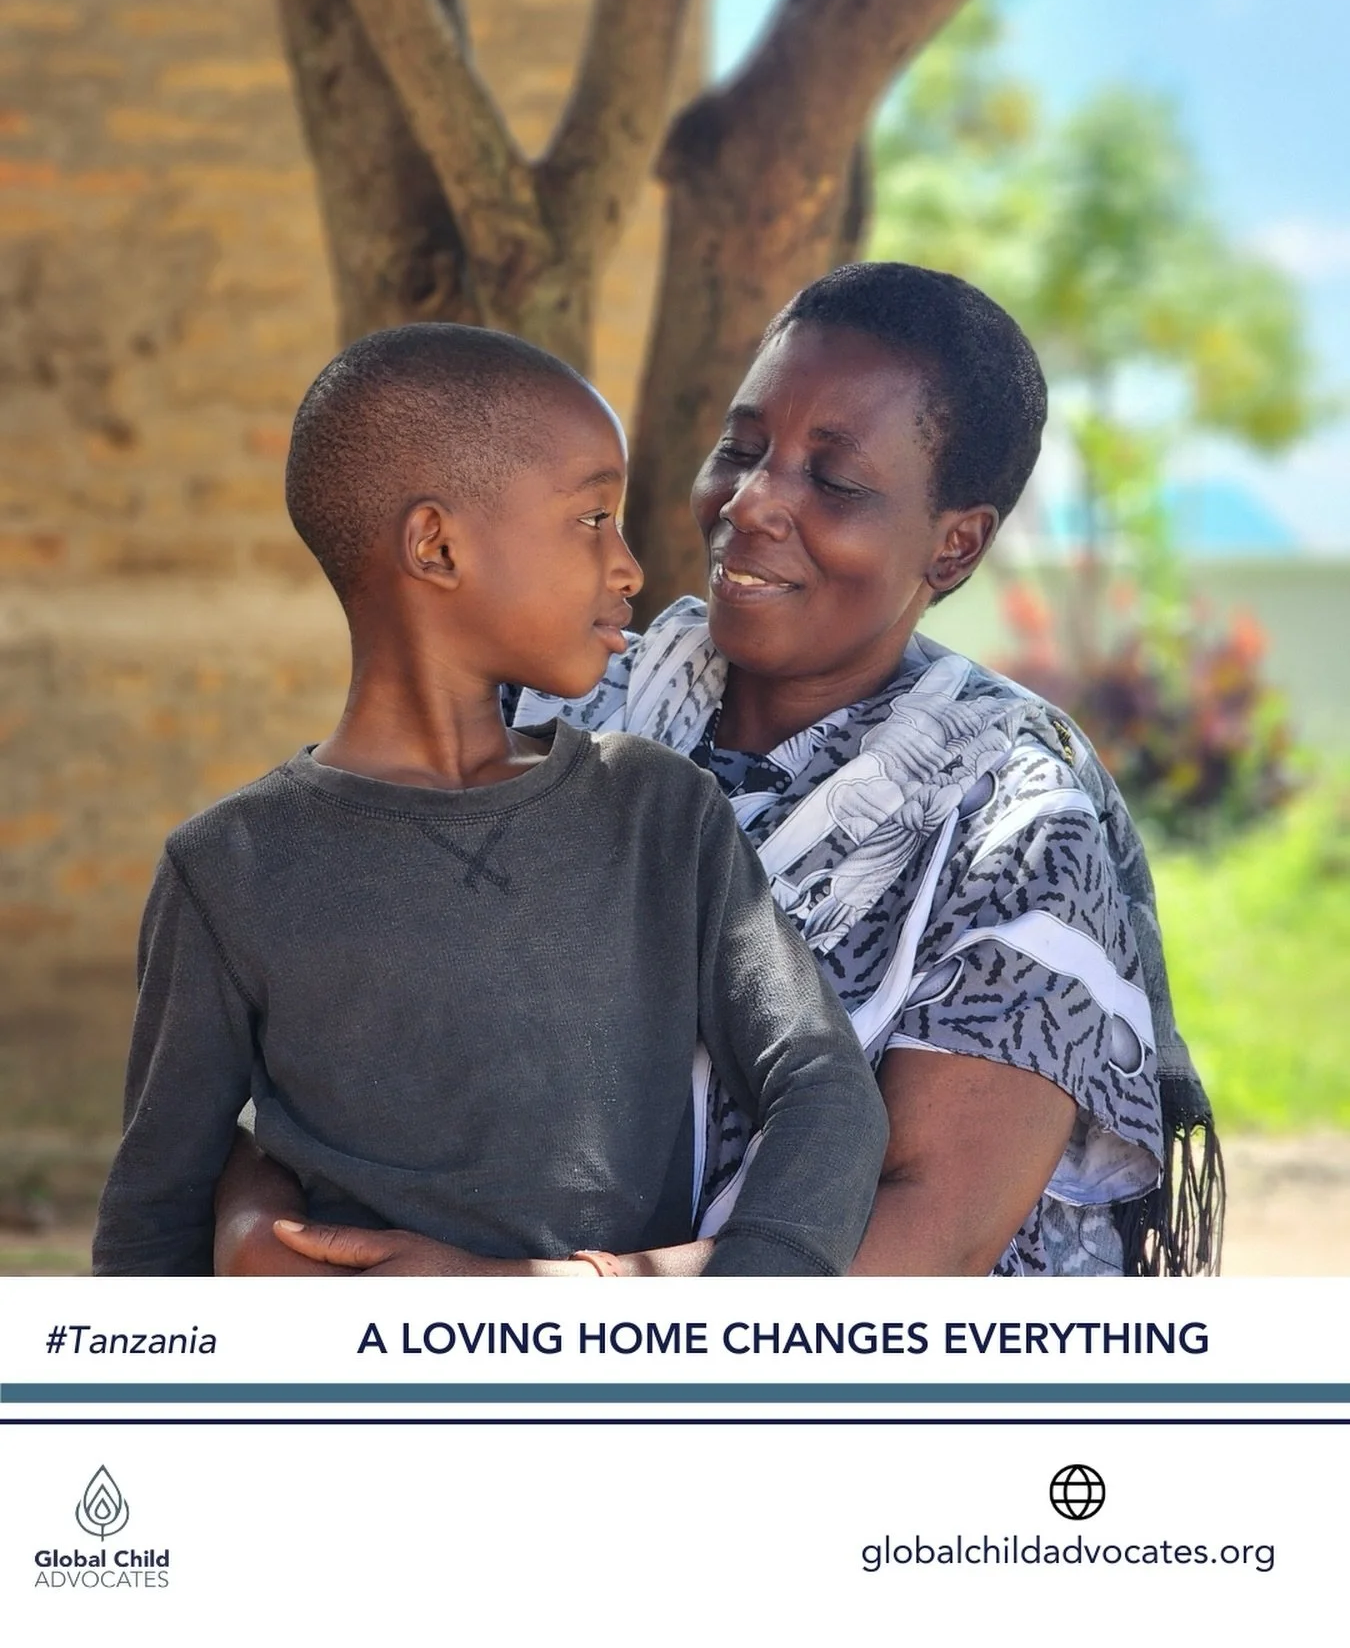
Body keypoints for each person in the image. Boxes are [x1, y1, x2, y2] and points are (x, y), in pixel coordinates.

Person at [218, 262, 1222, 1279]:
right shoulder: (560, 702)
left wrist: (515, 1304)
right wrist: (262, 1231)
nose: (752, 502)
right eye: (742, 448)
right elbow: (308, 1051)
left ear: (955, 546)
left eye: (831, 481)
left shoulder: (1010, 814)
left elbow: (932, 1237)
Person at [92, 323, 891, 1278]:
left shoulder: (657, 812)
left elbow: (824, 1085)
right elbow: (154, 1220)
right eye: (593, 518)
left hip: (616, 1405)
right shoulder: (229, 869)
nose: (632, 566)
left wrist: (740, 1309)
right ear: (436, 546)